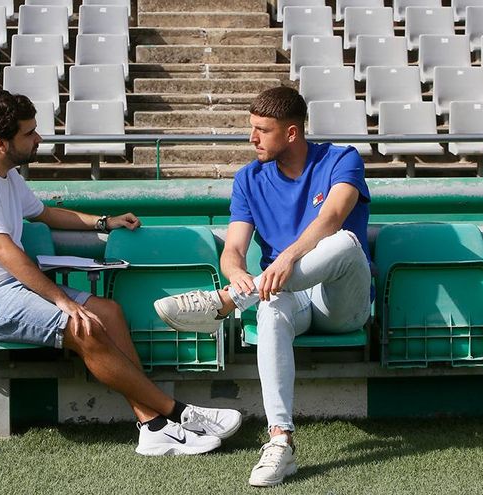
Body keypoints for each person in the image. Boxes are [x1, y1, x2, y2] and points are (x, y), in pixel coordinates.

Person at [0, 90, 241, 456]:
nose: (39, 139)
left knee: (108, 312)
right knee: (81, 325)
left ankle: (151, 428)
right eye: (29, 133)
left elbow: (44, 213)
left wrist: (105, 221)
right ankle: (177, 414)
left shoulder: (5, 173)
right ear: (0, 142)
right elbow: (4, 251)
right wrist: (61, 300)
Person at [154, 87, 372, 485]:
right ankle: (281, 442)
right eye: (251, 128)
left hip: (341, 302)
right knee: (270, 309)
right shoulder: (248, 178)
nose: (252, 138)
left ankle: (226, 302)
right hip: (284, 296)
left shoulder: (343, 158)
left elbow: (333, 217)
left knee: (344, 242)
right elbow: (233, 248)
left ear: (291, 133)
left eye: (262, 130)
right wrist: (236, 270)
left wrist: (285, 258)